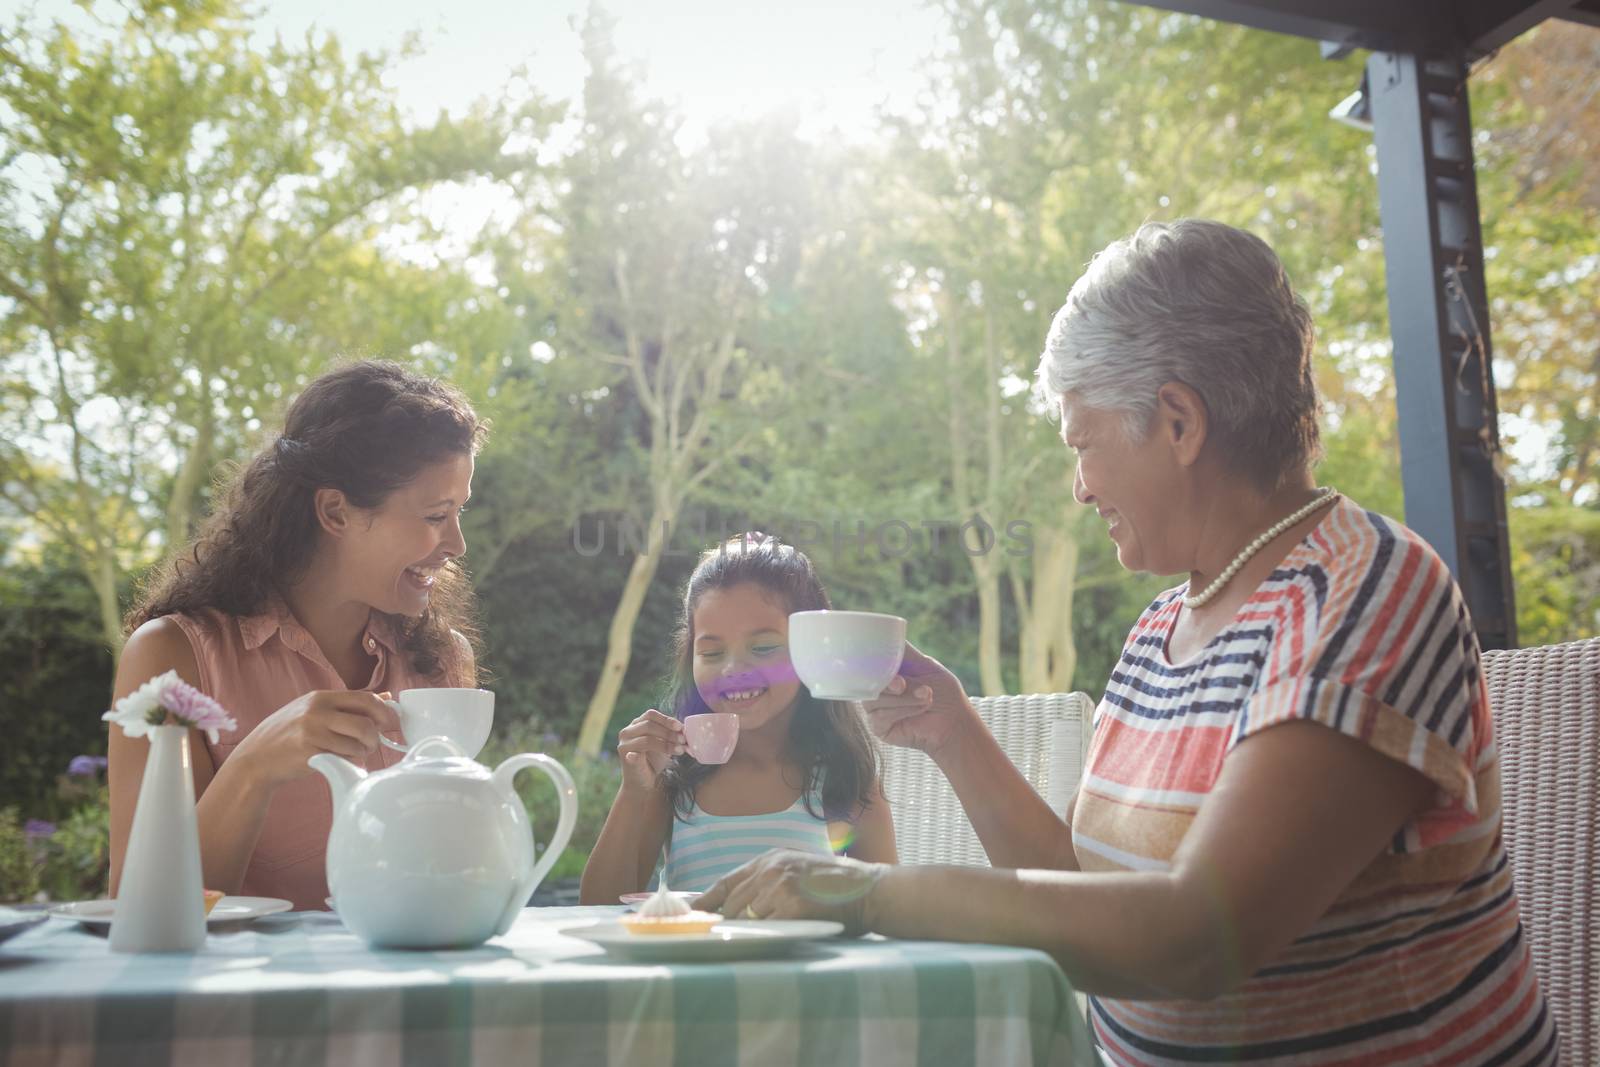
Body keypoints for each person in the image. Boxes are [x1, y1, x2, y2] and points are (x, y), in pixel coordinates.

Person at [696, 221, 1556, 1065]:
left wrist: (867, 892)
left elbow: (1195, 938)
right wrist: (955, 734)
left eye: (1083, 443)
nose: (1078, 487)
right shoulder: (1163, 627)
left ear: (1178, 421)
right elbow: (1086, 889)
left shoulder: (1366, 591)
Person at [110, 360, 484, 911]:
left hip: (405, 992)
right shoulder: (172, 657)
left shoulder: (442, 661)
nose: (457, 543)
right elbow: (136, 909)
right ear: (335, 510)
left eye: (459, 512)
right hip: (240, 996)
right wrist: (254, 766)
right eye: (435, 515)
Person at [581, 534, 896, 902]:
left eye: (762, 647)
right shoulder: (672, 781)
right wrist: (634, 792)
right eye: (712, 652)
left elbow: (886, 911)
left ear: (811, 651)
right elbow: (597, 908)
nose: (733, 670)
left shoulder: (846, 779)